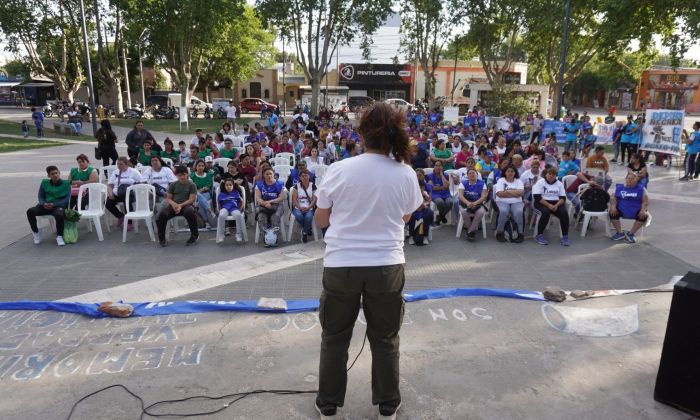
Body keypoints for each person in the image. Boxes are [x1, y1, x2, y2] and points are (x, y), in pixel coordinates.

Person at [313, 102, 422, 419]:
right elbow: (405, 215)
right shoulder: (405, 174)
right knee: (385, 339)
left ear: (360, 133)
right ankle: (387, 405)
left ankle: (328, 405)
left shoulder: (339, 170)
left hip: (341, 265)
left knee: (334, 338)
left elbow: (322, 220)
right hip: (386, 266)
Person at [26, 165, 70, 246]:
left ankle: (59, 236)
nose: (55, 175)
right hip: (45, 205)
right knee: (30, 211)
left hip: (59, 205)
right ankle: (36, 232)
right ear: (49, 176)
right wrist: (43, 203)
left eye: (56, 173)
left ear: (59, 173)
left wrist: (54, 204)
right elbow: (41, 196)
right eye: (52, 174)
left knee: (59, 214)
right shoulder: (45, 182)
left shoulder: (66, 184)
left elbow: (66, 199)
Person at [156, 165, 199, 247]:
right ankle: (162, 238)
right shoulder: (173, 185)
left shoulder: (192, 185)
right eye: (180, 175)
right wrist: (175, 205)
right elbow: (168, 198)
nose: (182, 177)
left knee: (190, 212)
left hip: (186, 205)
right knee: (162, 215)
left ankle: (194, 235)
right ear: (177, 176)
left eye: (184, 174)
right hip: (174, 205)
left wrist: (180, 205)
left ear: (187, 174)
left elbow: (191, 199)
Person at [533, 167, 571, 246]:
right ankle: (539, 235)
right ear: (546, 174)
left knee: (564, 212)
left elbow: (563, 198)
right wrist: (548, 205)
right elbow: (537, 197)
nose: (551, 176)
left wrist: (556, 205)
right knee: (545, 212)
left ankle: (565, 236)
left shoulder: (559, 184)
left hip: (556, 203)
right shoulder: (540, 182)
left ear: (556, 176)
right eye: (549, 174)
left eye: (553, 174)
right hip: (541, 202)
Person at [609, 173, 649, 244]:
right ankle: (619, 233)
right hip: (621, 209)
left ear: (636, 180)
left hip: (636, 210)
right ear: (625, 179)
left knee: (644, 215)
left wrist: (643, 210)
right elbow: (613, 197)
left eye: (632, 179)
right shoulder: (619, 187)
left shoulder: (641, 188)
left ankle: (631, 234)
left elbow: (645, 201)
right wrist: (613, 206)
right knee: (612, 212)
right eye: (628, 178)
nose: (630, 180)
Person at [105, 156, 142, 229]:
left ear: (126, 164)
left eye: (121, 164)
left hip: (130, 193)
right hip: (117, 193)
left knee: (127, 201)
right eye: (118, 164)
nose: (119, 166)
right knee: (107, 203)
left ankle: (129, 222)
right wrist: (110, 193)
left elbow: (141, 182)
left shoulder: (133, 171)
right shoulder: (115, 172)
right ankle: (121, 216)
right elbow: (110, 185)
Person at [255, 167, 286, 246]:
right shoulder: (259, 184)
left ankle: (274, 238)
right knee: (261, 216)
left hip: (277, 204)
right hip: (263, 204)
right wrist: (264, 203)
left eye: (270, 174)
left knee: (275, 216)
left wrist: (270, 202)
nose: (269, 176)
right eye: (267, 174)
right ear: (263, 175)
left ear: (274, 174)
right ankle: (266, 237)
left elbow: (281, 197)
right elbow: (258, 198)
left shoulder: (279, 184)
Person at [493, 166, 524, 243]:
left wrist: (507, 191)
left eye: (512, 171)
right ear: (505, 172)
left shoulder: (519, 181)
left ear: (515, 173)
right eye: (508, 171)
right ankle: (499, 232)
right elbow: (499, 194)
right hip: (502, 201)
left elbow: (521, 193)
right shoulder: (501, 180)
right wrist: (514, 192)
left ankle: (520, 233)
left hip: (516, 202)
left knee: (519, 212)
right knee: (503, 211)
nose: (510, 173)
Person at [458, 168, 488, 241]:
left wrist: (475, 203)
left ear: (477, 175)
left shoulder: (482, 183)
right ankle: (472, 231)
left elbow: (483, 196)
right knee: (464, 212)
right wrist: (468, 203)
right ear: (467, 176)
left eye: (473, 173)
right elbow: (460, 196)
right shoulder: (463, 183)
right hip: (465, 203)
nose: (472, 174)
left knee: (480, 212)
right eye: (470, 173)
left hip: (478, 203)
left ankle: (470, 231)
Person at [407, 171, 434, 245]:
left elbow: (429, 200)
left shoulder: (426, 189)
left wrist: (424, 203)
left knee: (429, 213)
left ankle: (425, 236)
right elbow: (409, 201)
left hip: (423, 208)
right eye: (416, 175)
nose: (418, 177)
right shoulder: (411, 190)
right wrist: (417, 206)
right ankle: (411, 236)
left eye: (420, 175)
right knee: (411, 216)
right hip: (414, 208)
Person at [291, 169, 317, 243]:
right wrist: (300, 207)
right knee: (299, 216)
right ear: (300, 177)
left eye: (306, 175)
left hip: (310, 207)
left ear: (309, 176)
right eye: (302, 176)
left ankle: (304, 232)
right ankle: (308, 229)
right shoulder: (297, 186)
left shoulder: (313, 186)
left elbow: (314, 199)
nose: (304, 177)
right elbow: (294, 199)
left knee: (308, 217)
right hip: (298, 207)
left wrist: (309, 207)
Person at [216, 179, 245, 243]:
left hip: (234, 208)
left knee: (238, 215)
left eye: (230, 185)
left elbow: (242, 201)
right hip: (225, 208)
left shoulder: (236, 192)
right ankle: (221, 235)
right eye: (227, 185)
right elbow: (219, 203)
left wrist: (240, 208)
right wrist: (220, 210)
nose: (228, 186)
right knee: (221, 216)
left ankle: (239, 235)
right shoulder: (222, 193)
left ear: (233, 185)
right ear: (224, 186)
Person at [189, 159, 215, 227]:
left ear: (204, 167)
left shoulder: (208, 175)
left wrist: (198, 191)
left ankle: (206, 221)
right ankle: (210, 212)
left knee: (200, 200)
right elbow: (191, 188)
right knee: (198, 196)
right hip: (194, 195)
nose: (201, 167)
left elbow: (207, 187)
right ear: (196, 167)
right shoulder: (192, 175)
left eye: (202, 166)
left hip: (206, 194)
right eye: (199, 165)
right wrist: (198, 191)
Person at [426, 161, 451, 225]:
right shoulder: (430, 176)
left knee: (450, 202)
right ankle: (442, 217)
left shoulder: (445, 175)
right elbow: (432, 188)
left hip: (446, 193)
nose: (438, 167)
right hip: (435, 194)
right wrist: (443, 187)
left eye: (440, 165)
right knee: (440, 202)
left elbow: (447, 186)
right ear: (434, 167)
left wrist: (442, 175)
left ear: (442, 167)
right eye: (436, 165)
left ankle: (440, 217)